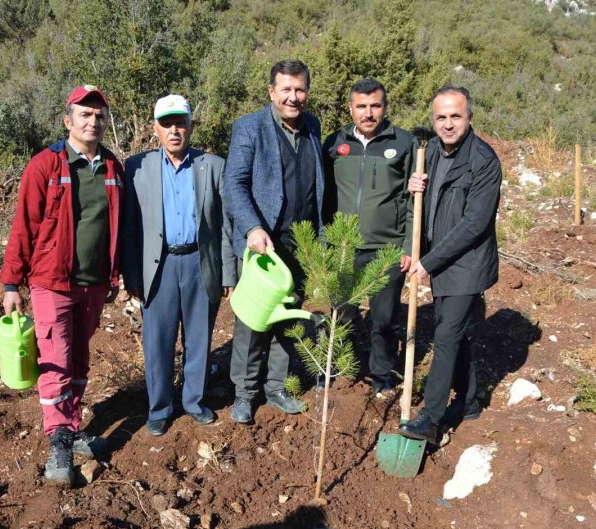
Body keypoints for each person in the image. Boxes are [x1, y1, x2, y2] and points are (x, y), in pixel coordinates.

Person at [0, 84, 124, 486]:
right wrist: (10, 283)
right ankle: (59, 441)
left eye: (99, 115)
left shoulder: (112, 168)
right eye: (85, 115)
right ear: (67, 120)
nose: (93, 121)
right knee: (55, 358)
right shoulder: (46, 165)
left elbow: (119, 227)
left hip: (93, 283)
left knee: (80, 358)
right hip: (51, 281)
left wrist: (117, 273)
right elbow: (24, 225)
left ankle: (71, 425)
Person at [121, 94, 236, 435]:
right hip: (159, 266)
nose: (174, 130)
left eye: (180, 123)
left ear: (190, 126)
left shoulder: (213, 165)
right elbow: (130, 228)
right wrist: (132, 275)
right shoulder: (137, 167)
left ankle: (193, 402)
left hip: (200, 263)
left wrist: (228, 271)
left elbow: (226, 224)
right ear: (154, 129)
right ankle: (159, 408)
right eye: (167, 124)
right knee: (158, 340)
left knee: (199, 338)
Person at [400, 85, 502, 444]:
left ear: (469, 117)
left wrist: (429, 261)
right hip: (440, 258)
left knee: (444, 336)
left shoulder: (483, 161)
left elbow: (474, 224)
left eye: (455, 116)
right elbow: (425, 209)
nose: (447, 124)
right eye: (441, 117)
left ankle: (430, 417)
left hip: (466, 263)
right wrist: (415, 190)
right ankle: (471, 401)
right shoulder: (429, 154)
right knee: (454, 330)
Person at [224, 59, 325, 424]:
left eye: (299, 90)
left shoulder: (312, 126)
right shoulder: (249, 128)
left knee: (289, 318)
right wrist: (252, 228)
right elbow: (233, 184)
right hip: (261, 245)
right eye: (286, 90)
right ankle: (245, 393)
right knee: (254, 321)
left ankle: (276, 386)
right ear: (271, 91)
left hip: (300, 241)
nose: (293, 97)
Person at [322, 78, 416, 394]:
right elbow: (322, 195)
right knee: (342, 312)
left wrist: (407, 245)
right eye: (361, 106)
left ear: (385, 107)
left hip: (387, 249)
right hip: (344, 246)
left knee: (384, 319)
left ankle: (382, 377)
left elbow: (412, 200)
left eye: (375, 105)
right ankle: (339, 369)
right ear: (351, 109)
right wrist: (326, 239)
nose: (368, 113)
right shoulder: (334, 143)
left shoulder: (404, 144)